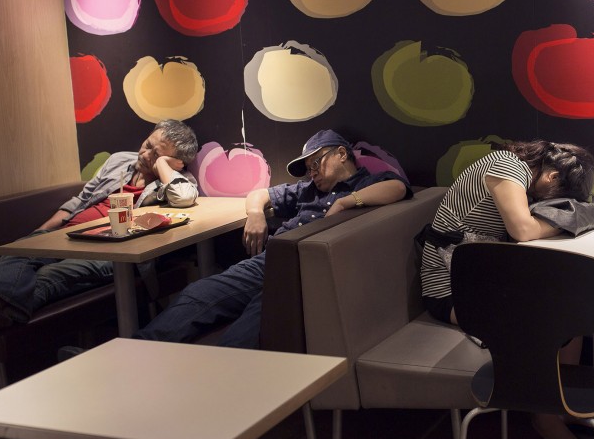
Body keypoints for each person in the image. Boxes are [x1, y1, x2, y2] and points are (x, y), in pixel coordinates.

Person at [133, 129, 412, 349]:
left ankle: (220, 391)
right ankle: (136, 353)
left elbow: (398, 187)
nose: (312, 173)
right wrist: (255, 214)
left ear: (341, 154)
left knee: (253, 324)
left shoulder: (368, 183)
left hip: (308, 270)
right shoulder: (307, 190)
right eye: (308, 169)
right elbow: (260, 195)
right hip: (269, 260)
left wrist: (347, 202)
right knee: (199, 294)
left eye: (316, 164)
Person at [420, 139, 594, 439]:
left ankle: (560, 404)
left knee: (571, 313)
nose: (551, 202)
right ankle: (543, 419)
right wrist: (571, 220)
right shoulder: (506, 166)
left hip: (486, 279)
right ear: (553, 178)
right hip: (450, 289)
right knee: (541, 325)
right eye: (559, 197)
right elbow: (522, 229)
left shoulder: (523, 173)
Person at [0, 119, 199, 330]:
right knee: (18, 251)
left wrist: (164, 168)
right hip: (71, 234)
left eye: (157, 155)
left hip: (111, 250)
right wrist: (42, 231)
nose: (146, 155)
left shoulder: (175, 181)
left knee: (52, 274)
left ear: (176, 162)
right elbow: (82, 200)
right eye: (148, 145)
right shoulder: (118, 160)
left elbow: (185, 197)